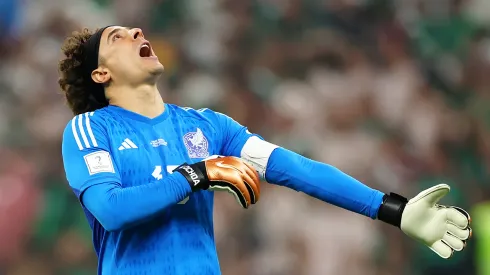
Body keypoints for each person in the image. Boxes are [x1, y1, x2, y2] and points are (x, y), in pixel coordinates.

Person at [59, 26, 472, 275]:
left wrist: (394, 210)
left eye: (137, 31)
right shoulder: (91, 129)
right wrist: (196, 174)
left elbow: (296, 168)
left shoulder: (209, 126)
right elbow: (111, 211)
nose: (137, 33)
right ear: (101, 73)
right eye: (118, 37)